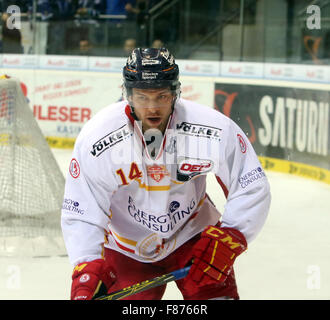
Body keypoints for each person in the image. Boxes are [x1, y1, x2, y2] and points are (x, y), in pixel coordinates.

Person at [61, 47, 271, 300]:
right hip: (127, 248)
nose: (152, 108)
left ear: (175, 93)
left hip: (194, 238)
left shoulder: (211, 128)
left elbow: (250, 182)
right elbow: (83, 207)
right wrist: (87, 265)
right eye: (142, 96)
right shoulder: (98, 138)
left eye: (161, 96)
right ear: (127, 95)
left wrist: (231, 237)